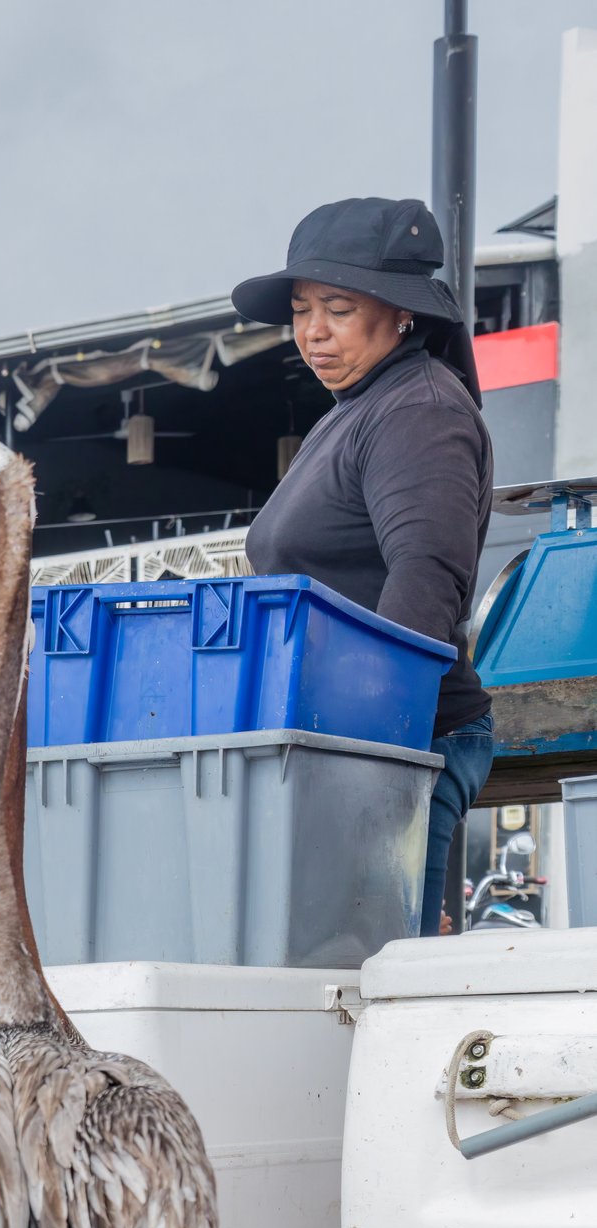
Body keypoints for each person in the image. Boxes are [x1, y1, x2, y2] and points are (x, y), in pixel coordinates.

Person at [234, 198, 492, 932]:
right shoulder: (355, 407)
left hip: (400, 741)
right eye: (301, 309)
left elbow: (426, 581)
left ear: (402, 313)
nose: (312, 331)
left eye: (338, 308)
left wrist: (378, 745)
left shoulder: (419, 411)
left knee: (377, 971)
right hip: (340, 740)